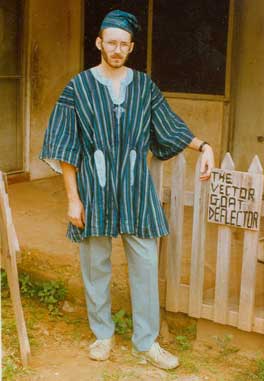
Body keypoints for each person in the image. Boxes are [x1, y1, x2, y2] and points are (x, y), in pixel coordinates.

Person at [39, 10, 215, 370]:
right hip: (94, 192)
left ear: (131, 47)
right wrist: (73, 199)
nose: (117, 49)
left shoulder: (145, 87)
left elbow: (169, 126)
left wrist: (205, 146)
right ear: (99, 43)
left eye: (124, 44)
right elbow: (65, 147)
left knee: (146, 266)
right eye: (111, 42)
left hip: (137, 192)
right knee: (95, 266)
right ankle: (103, 335)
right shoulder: (78, 87)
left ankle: (146, 342)